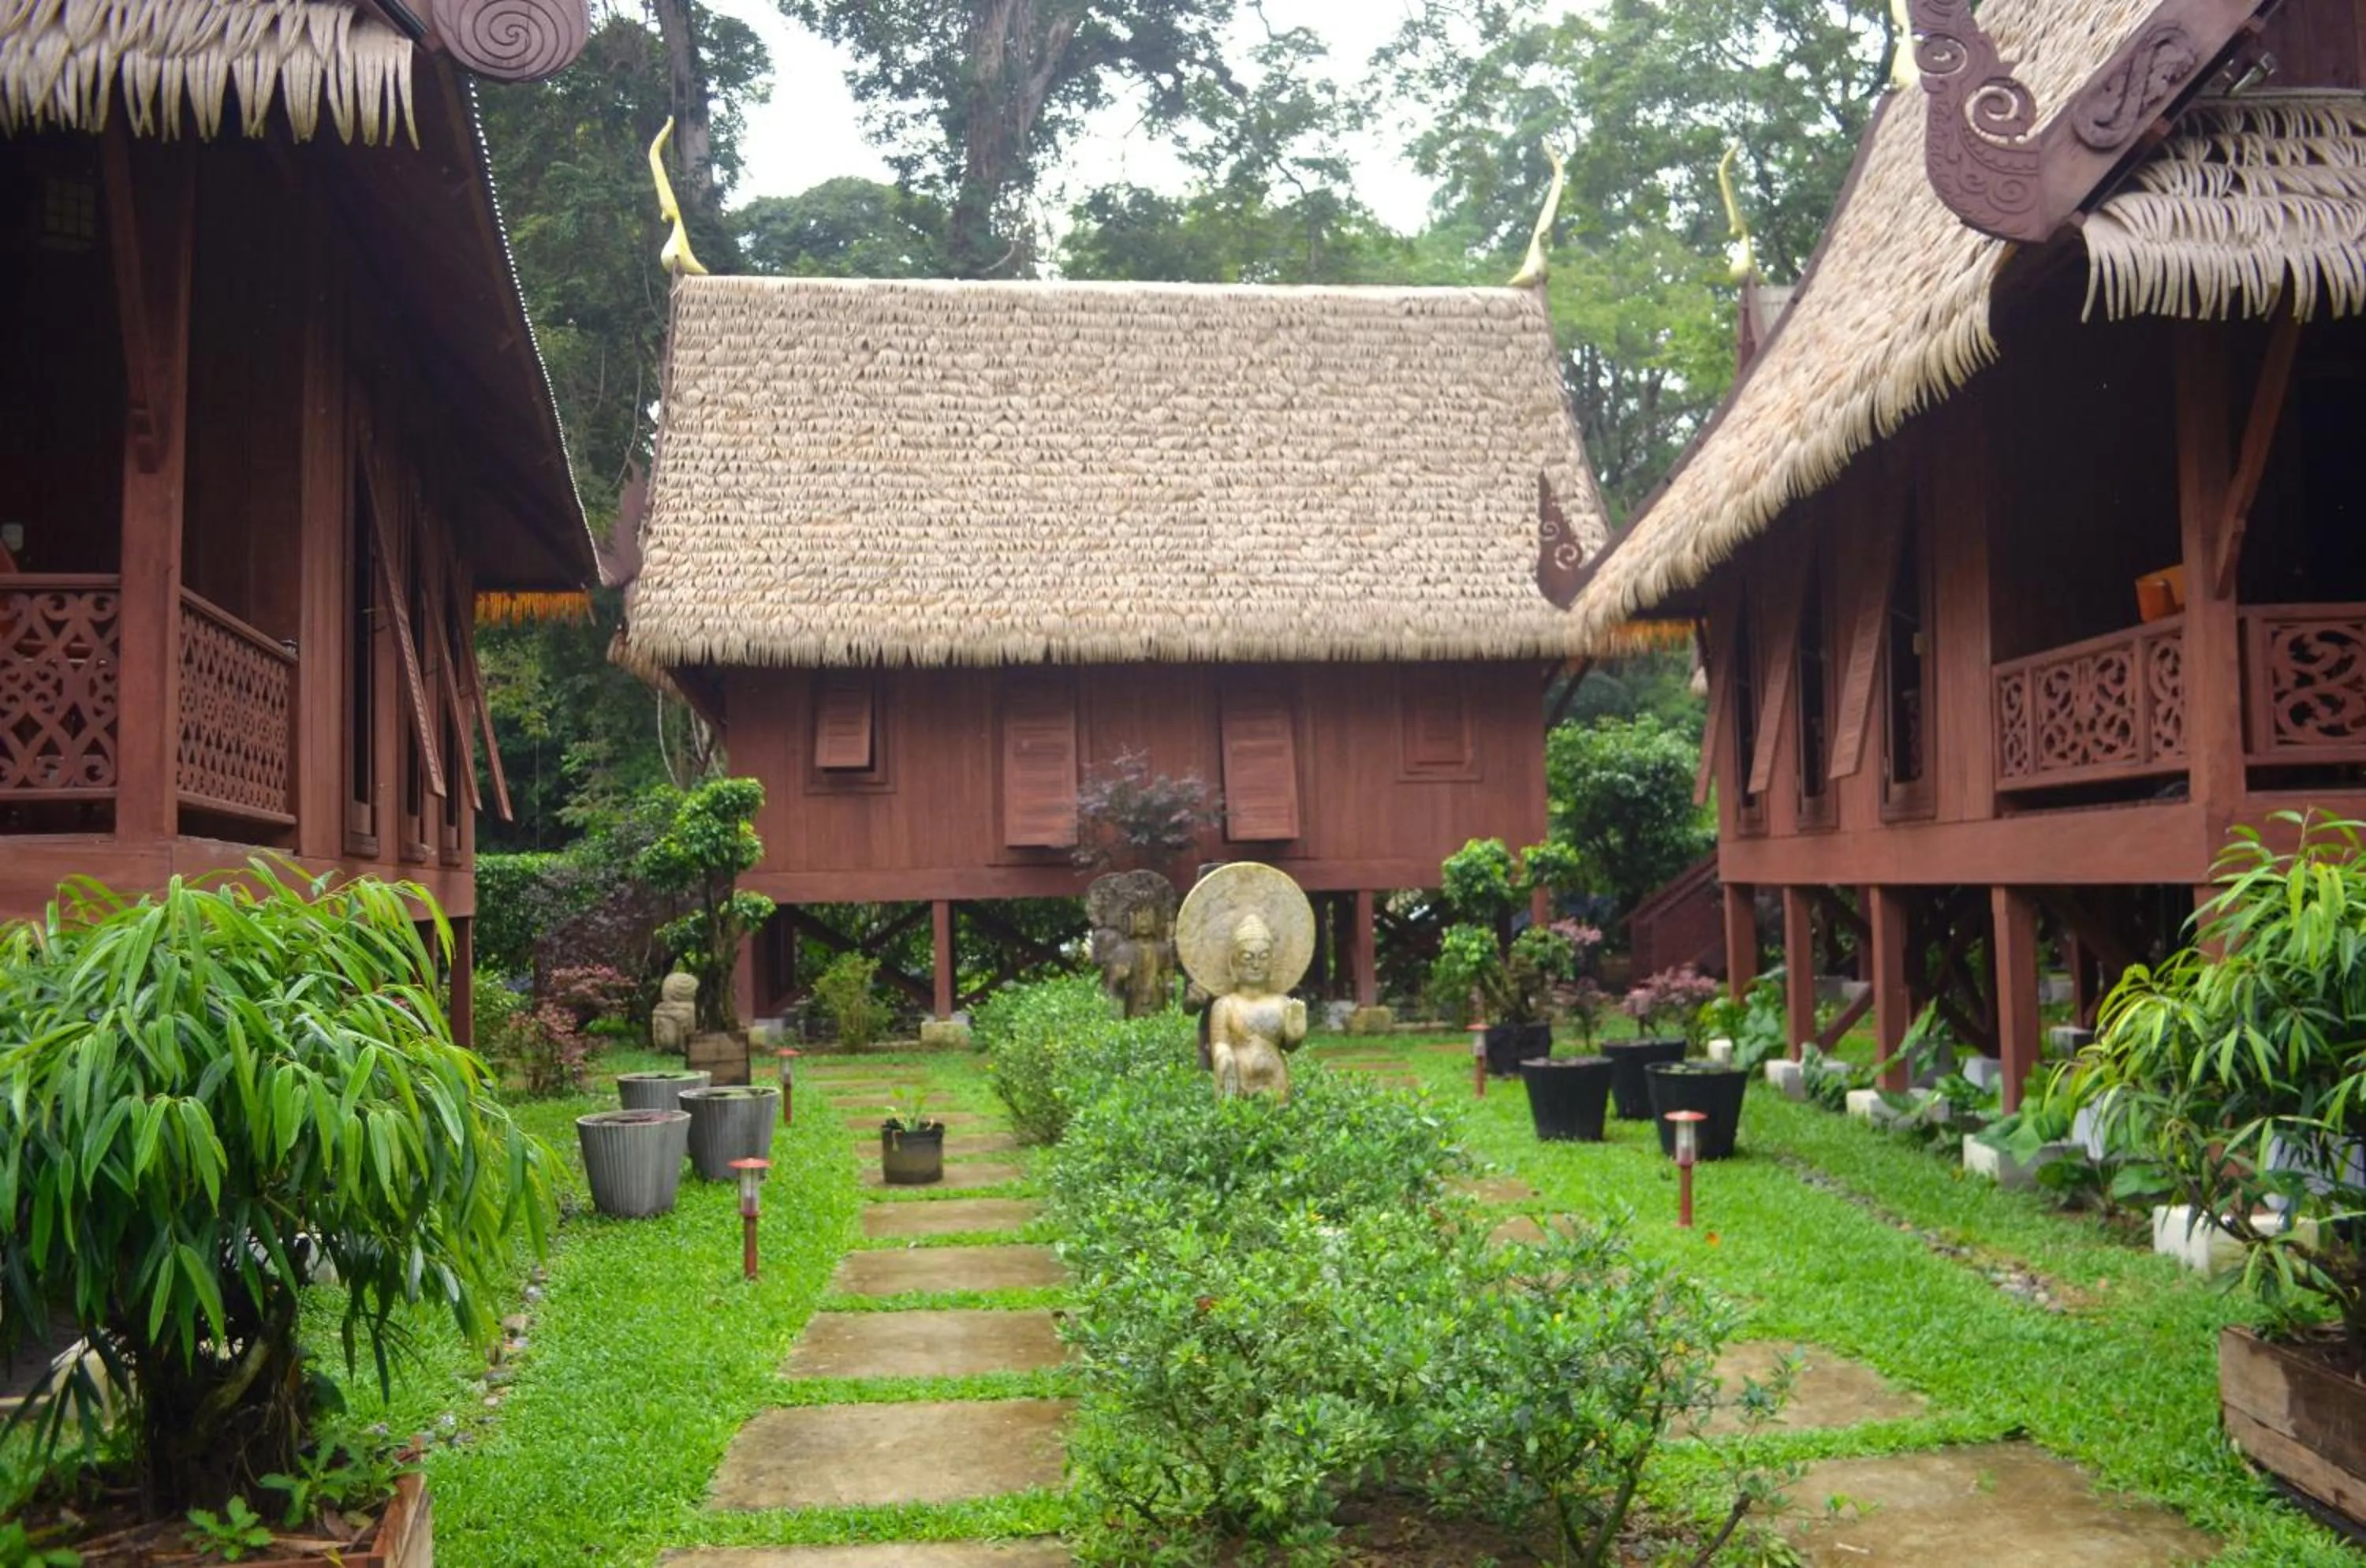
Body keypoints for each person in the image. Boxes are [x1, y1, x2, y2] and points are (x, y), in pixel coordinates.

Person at [1206, 913, 1307, 1099]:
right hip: (1239, 1076)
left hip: (1276, 1078)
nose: (1255, 965)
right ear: (1233, 963)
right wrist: (1225, 1060)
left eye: (1263, 957)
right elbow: (1220, 1043)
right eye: (1247, 957)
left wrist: (1295, 1035)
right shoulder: (1225, 1005)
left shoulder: (1282, 1003)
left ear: (1272, 963)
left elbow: (1289, 1046)